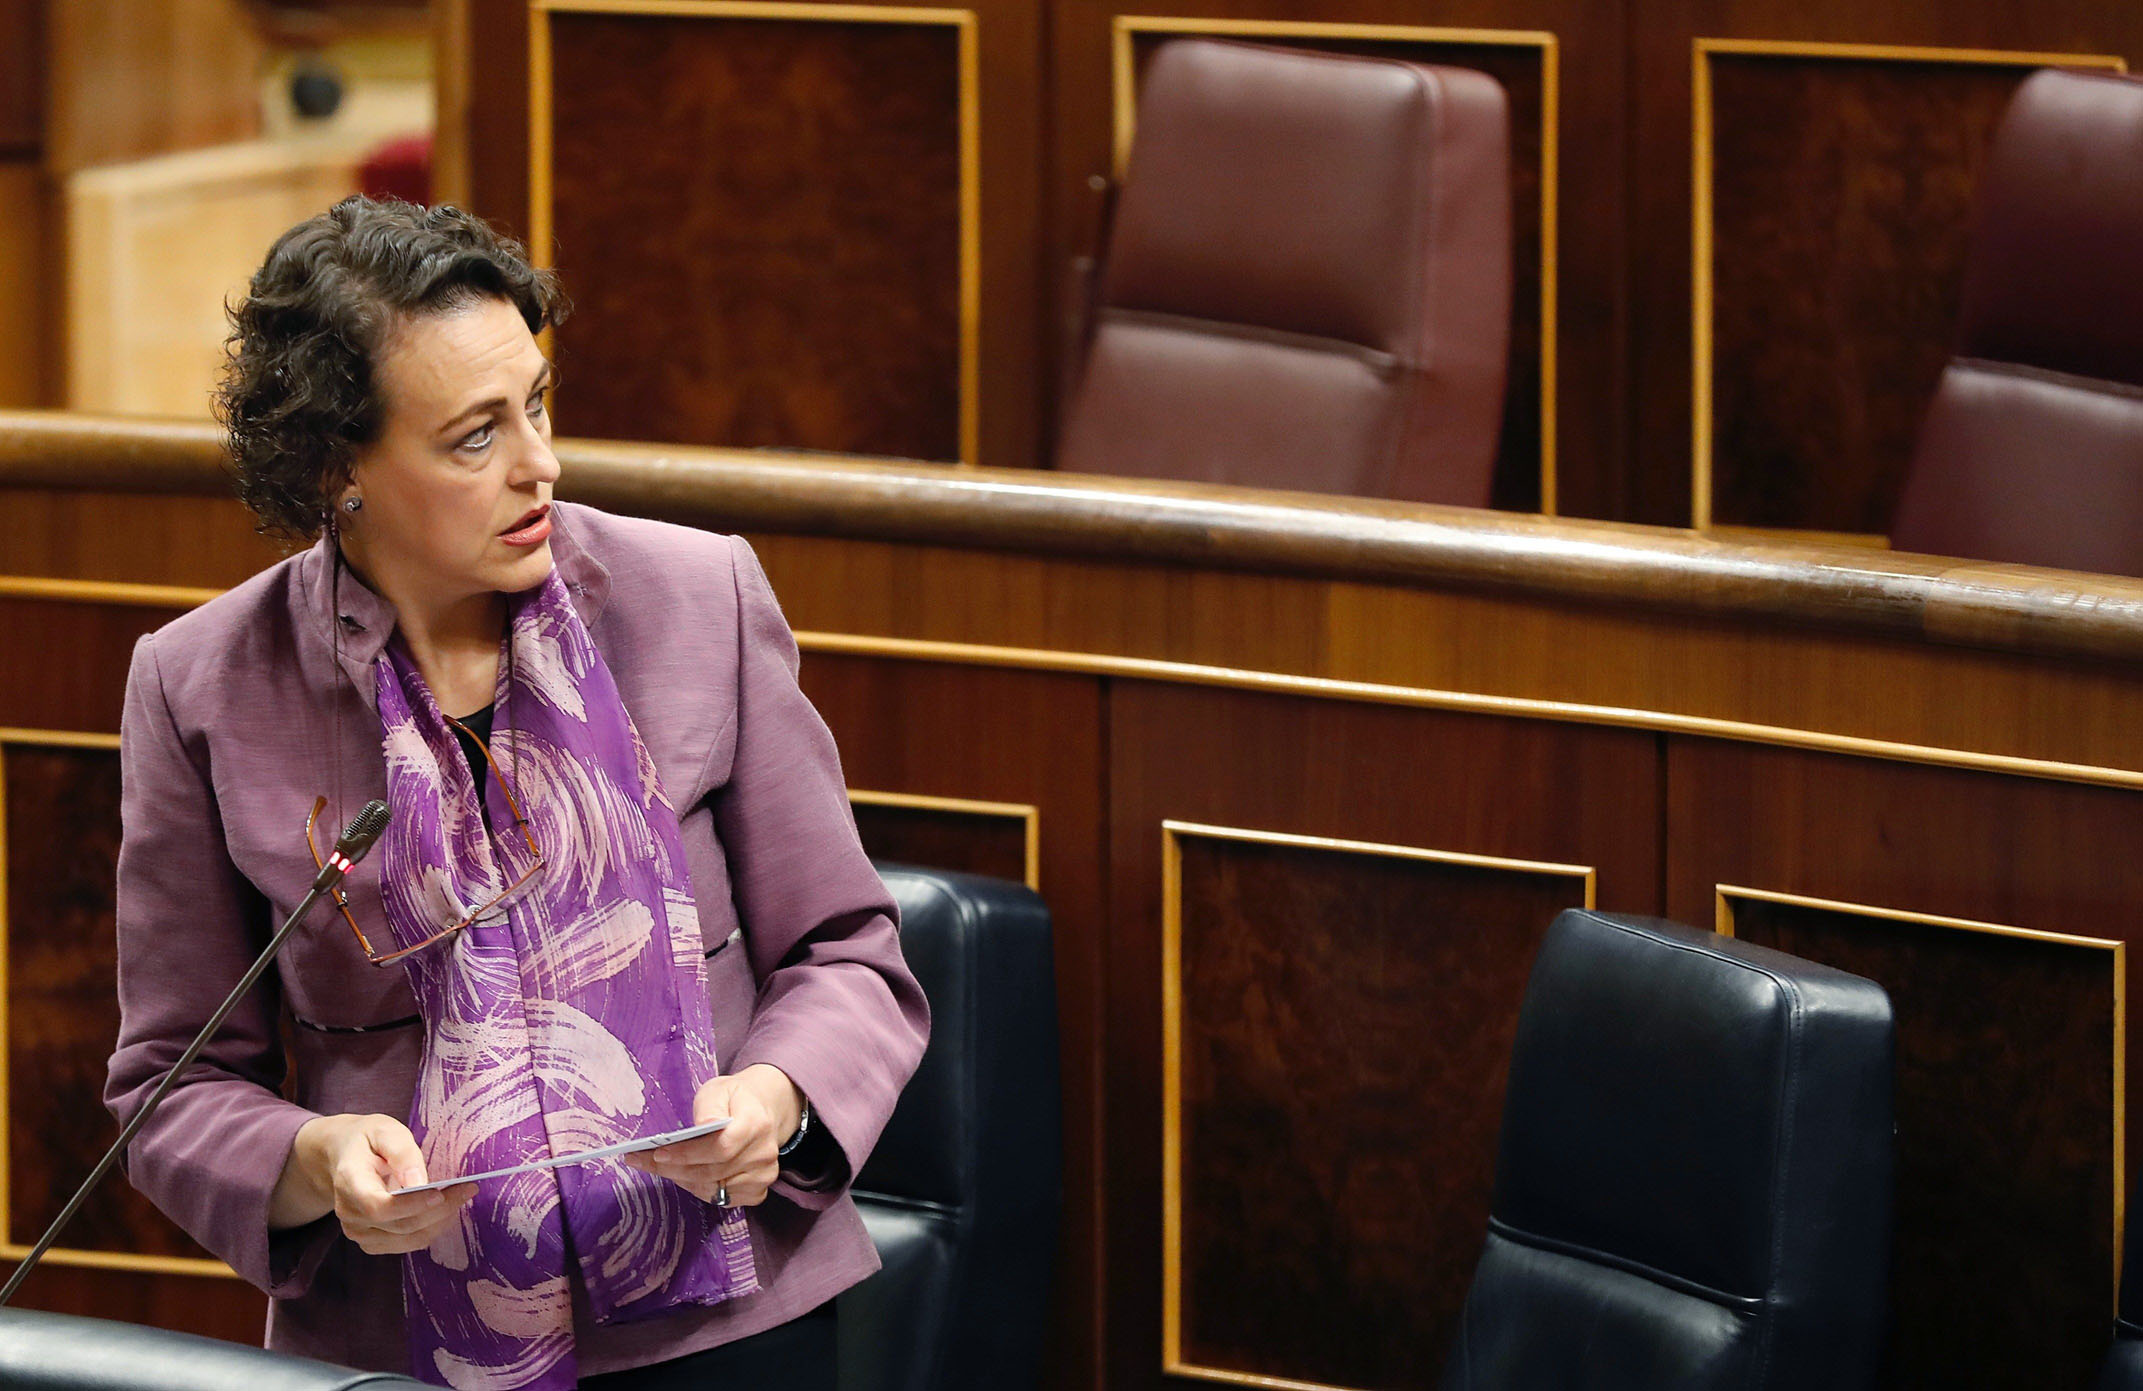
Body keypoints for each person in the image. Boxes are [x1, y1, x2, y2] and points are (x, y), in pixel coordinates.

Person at [101, 195, 930, 1390]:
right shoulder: (201, 687)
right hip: (402, 1339)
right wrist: (312, 1157)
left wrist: (779, 1093)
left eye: (535, 405)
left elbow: (849, 947)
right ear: (339, 467)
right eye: (474, 436)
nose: (540, 463)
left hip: (732, 1317)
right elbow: (170, 1080)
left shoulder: (702, 598)